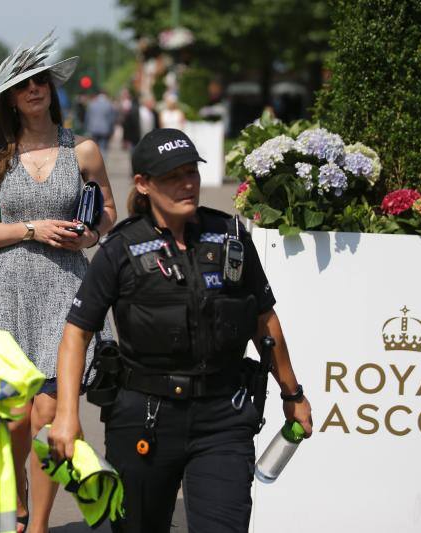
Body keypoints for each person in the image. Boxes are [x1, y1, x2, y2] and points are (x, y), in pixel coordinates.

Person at [49, 128, 313, 532]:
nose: (187, 183)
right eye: (173, 176)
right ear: (144, 184)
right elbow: (76, 333)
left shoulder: (231, 236)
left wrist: (292, 393)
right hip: (145, 416)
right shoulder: (119, 249)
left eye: (192, 172)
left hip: (223, 416)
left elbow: (264, 318)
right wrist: (67, 414)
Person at [0, 32, 117, 533]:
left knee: (47, 418)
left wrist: (88, 234)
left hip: (67, 289)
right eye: (23, 84)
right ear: (11, 96)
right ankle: (19, 496)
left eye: (40, 81)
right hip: (9, 290)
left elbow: (110, 214)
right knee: (12, 421)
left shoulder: (85, 150)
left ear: (51, 89)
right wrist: (31, 228)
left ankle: (37, 527)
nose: (34, 90)